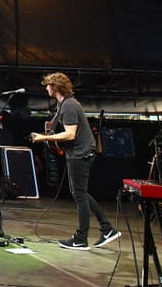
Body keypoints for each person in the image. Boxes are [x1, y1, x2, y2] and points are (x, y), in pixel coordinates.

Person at [30, 72, 121, 250]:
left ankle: (81, 238)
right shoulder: (64, 104)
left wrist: (43, 138)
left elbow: (70, 134)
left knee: (79, 193)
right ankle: (107, 228)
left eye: (48, 85)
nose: (46, 88)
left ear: (55, 86)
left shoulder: (69, 105)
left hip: (81, 153)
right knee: (80, 192)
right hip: (78, 153)